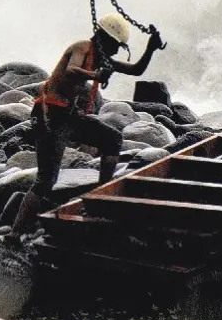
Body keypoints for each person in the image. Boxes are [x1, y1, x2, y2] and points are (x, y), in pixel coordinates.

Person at [10, 13, 165, 235]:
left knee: (112, 139)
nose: (115, 51)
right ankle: (14, 234)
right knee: (46, 180)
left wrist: (151, 48)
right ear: (104, 38)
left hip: (68, 116)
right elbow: (71, 70)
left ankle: (100, 199)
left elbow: (135, 70)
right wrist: (95, 74)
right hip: (49, 117)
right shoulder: (82, 47)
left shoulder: (101, 58)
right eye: (115, 46)